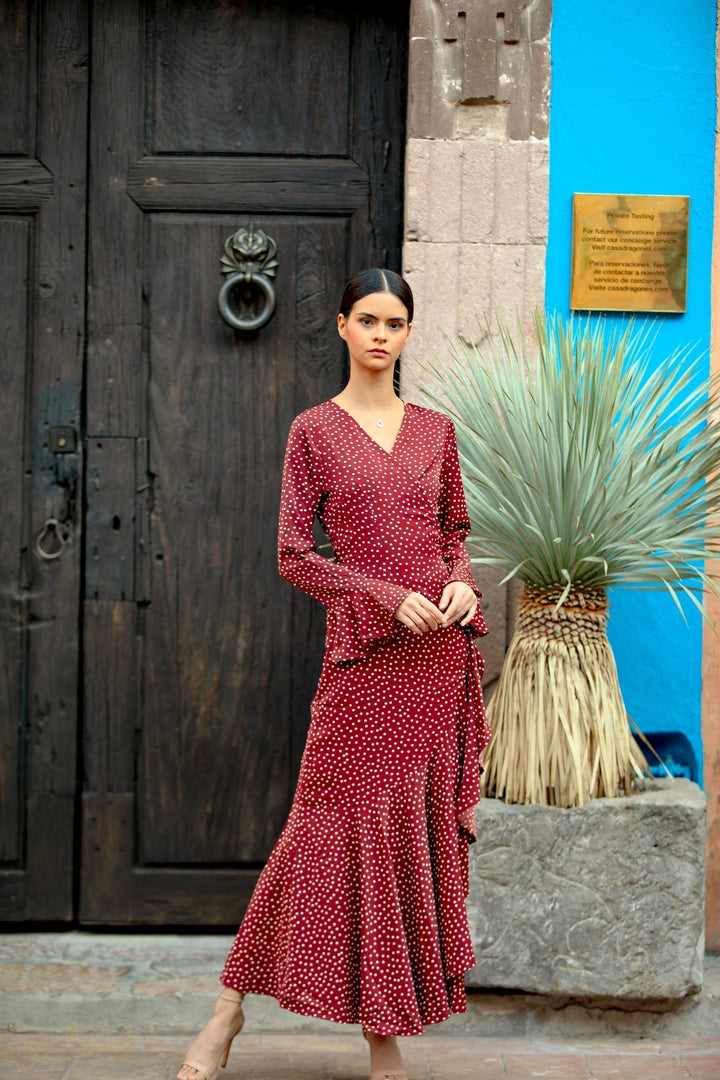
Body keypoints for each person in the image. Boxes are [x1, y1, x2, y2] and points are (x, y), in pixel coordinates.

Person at [177, 268, 491, 1080]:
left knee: (397, 841)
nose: (384, 335)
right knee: (319, 829)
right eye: (370, 320)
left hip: (433, 667)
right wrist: (385, 596)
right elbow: (293, 556)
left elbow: (455, 529)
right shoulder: (313, 430)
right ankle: (228, 1009)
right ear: (344, 328)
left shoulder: (436, 431)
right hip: (362, 662)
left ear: (408, 334)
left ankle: (384, 1038)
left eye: (397, 323)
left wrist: (460, 581)